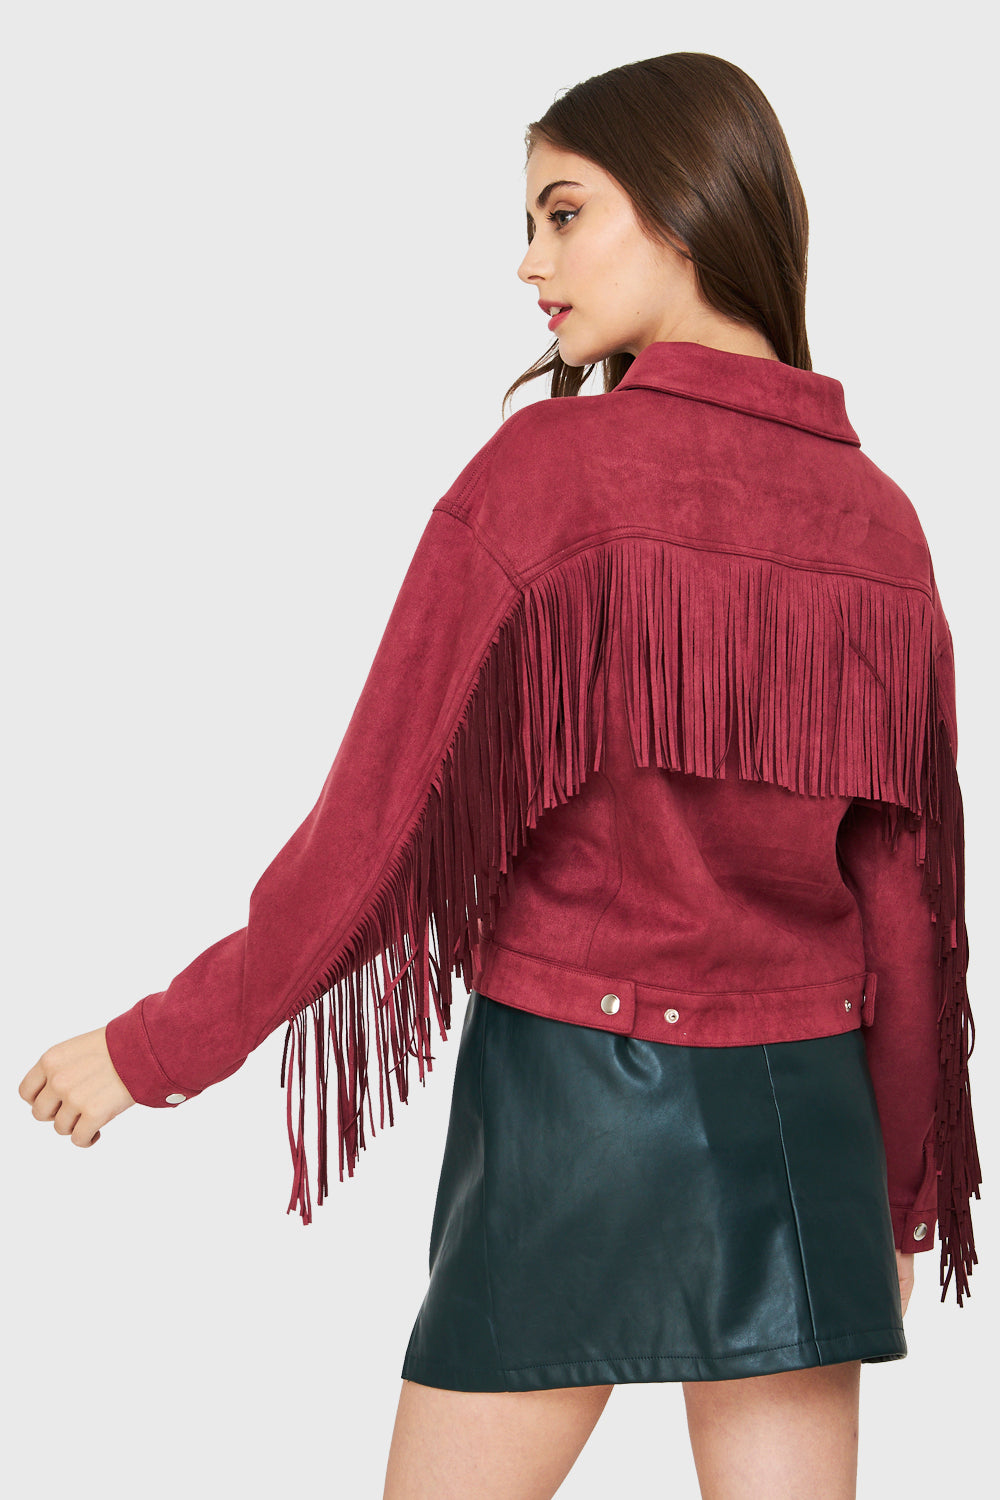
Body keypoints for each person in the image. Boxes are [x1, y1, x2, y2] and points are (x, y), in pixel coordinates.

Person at [18, 51, 980, 1500]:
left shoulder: (549, 473)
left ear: (686, 207)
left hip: (572, 1108)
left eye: (562, 213)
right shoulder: (881, 524)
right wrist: (898, 1199)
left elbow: (372, 834)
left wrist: (159, 1046)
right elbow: (907, 916)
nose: (529, 261)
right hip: (803, 1124)